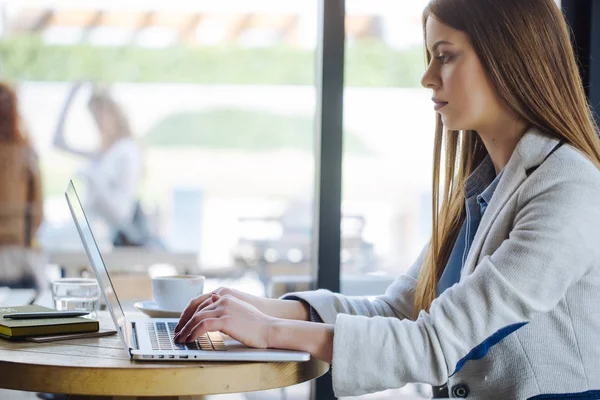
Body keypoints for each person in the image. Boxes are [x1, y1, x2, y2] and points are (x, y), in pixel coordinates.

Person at [174, 0, 600, 398]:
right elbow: (400, 309)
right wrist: (257, 309)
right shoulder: (485, 187)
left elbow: (433, 341)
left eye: (445, 55)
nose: (428, 76)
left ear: (508, 56)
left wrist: (268, 330)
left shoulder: (568, 189)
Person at [53, 82, 151, 247]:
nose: (98, 121)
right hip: (90, 236)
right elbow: (58, 142)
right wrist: (72, 93)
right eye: (93, 115)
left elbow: (121, 213)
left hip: (111, 241)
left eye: (101, 113)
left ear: (114, 113)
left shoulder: (126, 151)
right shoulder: (103, 153)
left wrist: (92, 178)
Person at [0, 82, 47, 290]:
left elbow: (37, 212)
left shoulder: (25, 152)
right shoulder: (26, 152)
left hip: (16, 255)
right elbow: (38, 212)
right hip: (18, 253)